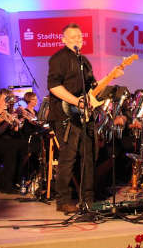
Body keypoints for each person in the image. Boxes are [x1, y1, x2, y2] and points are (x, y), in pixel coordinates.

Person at [47, 23, 122, 213]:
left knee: (89, 157)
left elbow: (93, 89)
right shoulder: (59, 58)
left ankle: (88, 198)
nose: (77, 39)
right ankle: (63, 200)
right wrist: (76, 101)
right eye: (72, 37)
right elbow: (53, 86)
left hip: (84, 116)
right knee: (68, 158)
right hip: (65, 115)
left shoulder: (84, 61)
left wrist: (111, 77)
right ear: (63, 40)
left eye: (80, 36)